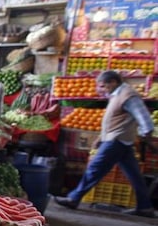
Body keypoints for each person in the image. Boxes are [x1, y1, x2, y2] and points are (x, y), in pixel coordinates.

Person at [54, 71, 156, 217]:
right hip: (119, 140)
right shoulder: (116, 95)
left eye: (103, 86)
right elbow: (111, 119)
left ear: (113, 82)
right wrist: (101, 138)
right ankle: (145, 207)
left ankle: (73, 198)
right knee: (134, 175)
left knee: (95, 169)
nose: (100, 89)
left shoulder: (128, 95)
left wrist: (147, 132)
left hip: (117, 140)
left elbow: (143, 115)